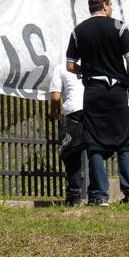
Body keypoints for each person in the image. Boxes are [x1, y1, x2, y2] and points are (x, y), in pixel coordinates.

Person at [65, 0, 129, 206]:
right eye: (111, 5)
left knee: (94, 142)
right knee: (123, 141)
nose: (112, 8)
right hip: (116, 90)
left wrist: (83, 70)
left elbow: (70, 65)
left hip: (93, 90)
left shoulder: (79, 31)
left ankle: (100, 195)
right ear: (105, 5)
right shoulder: (118, 26)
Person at [47, 58, 86, 206]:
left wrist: (53, 113)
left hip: (73, 112)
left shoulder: (60, 67)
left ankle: (74, 195)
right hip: (92, 110)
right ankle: (98, 194)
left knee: (71, 154)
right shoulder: (92, 64)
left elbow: (56, 96)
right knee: (95, 153)